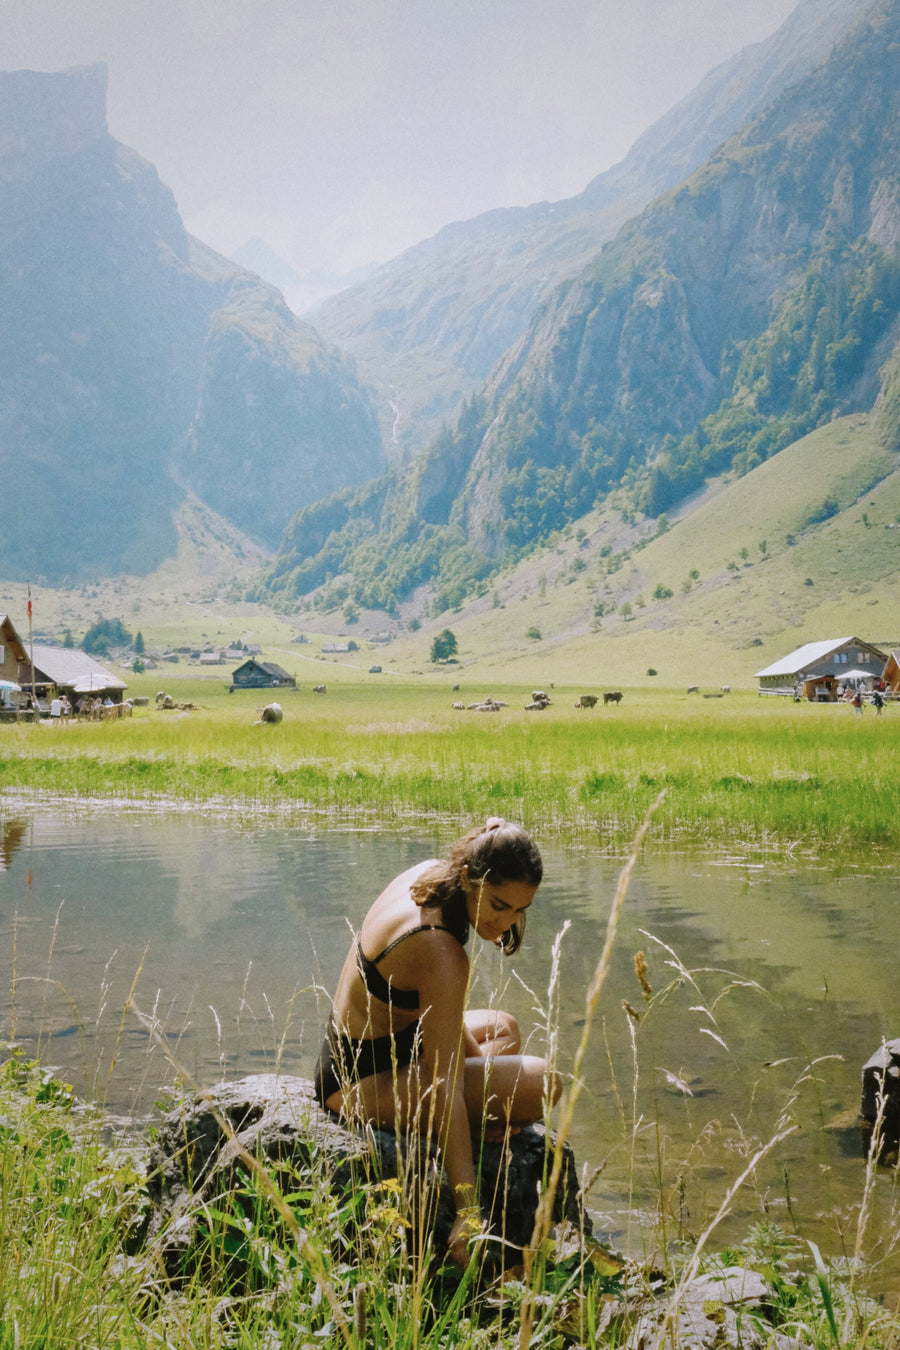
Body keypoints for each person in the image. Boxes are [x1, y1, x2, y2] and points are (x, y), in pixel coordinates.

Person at [314, 817, 560, 1267]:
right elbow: (442, 1086)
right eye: (500, 904)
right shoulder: (440, 949)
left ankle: (470, 1123)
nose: (506, 922)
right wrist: (467, 1211)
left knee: (503, 1029)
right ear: (470, 877)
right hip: (356, 1082)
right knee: (544, 1083)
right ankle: (467, 1130)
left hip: (390, 1045)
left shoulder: (431, 875)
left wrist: (480, 1085)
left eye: (521, 910)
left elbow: (434, 1020)